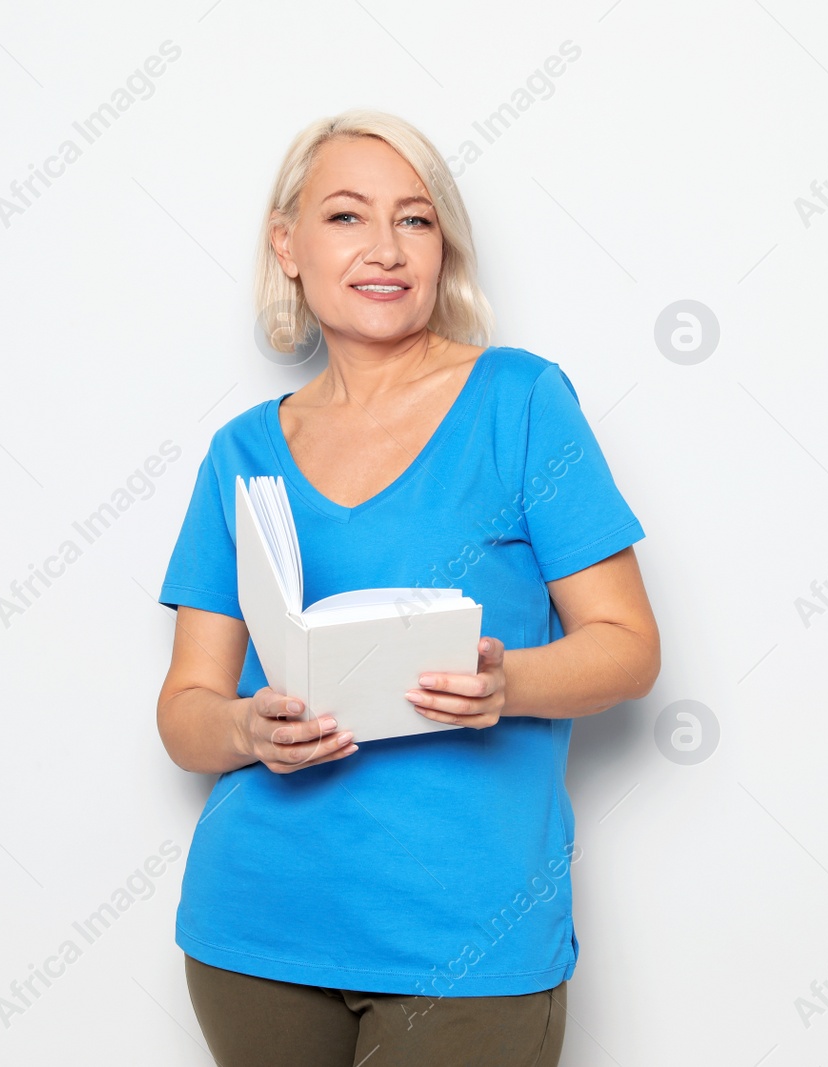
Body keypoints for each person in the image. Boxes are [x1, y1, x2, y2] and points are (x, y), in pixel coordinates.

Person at [155, 108, 660, 1067]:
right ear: (287, 245)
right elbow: (185, 710)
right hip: (257, 931)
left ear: (443, 248)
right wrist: (245, 729)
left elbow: (630, 646)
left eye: (416, 220)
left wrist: (507, 684)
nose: (385, 248)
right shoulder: (243, 454)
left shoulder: (520, 401)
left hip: (467, 941)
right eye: (346, 217)